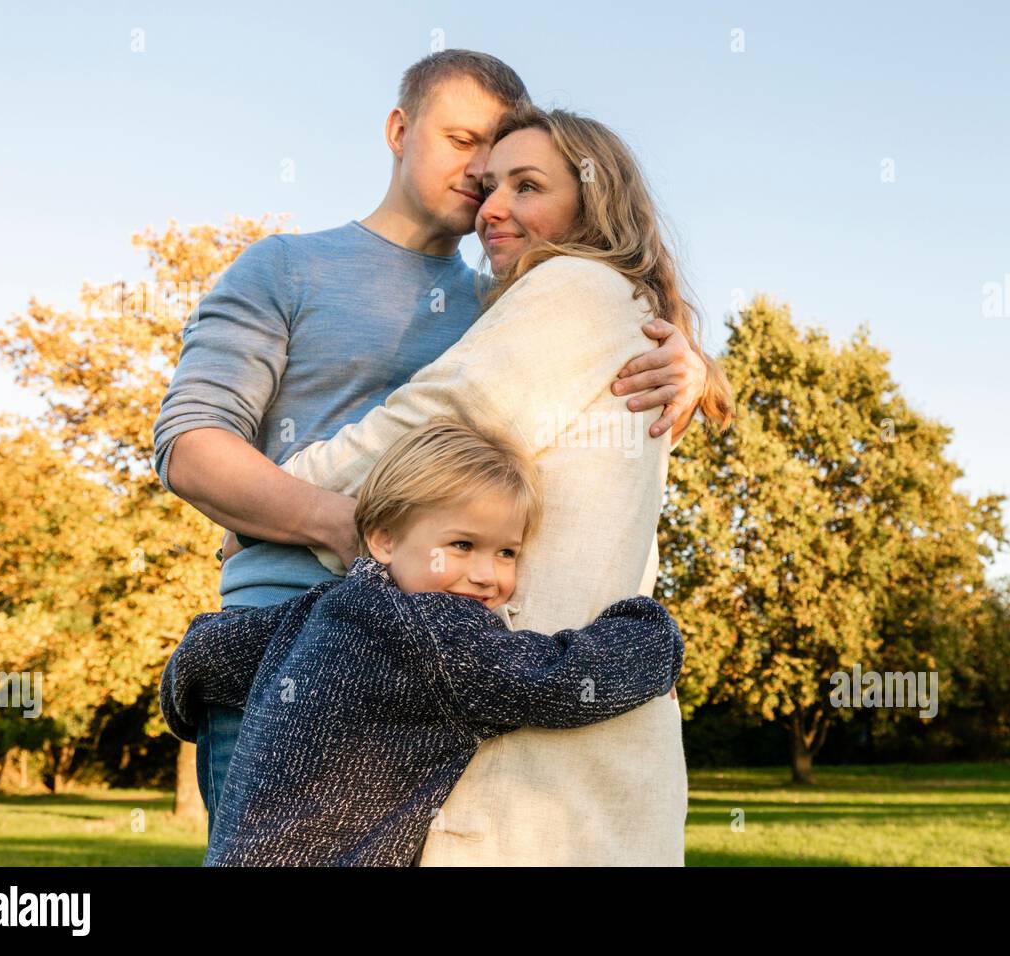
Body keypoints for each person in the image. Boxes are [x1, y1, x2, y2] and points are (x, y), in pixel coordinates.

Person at [150, 50, 711, 842]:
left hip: (436, 648)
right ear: (398, 129)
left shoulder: (506, 299)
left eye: (505, 162)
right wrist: (339, 524)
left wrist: (690, 364)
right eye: (461, 140)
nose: (480, 173)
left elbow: (581, 339)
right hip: (278, 630)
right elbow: (190, 447)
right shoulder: (287, 266)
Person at [271, 103, 736, 866]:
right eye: (488, 188)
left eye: (527, 186)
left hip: (531, 739)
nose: (493, 209)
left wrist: (278, 495)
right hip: (583, 729)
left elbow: (438, 418)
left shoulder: (576, 287)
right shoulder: (623, 306)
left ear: (595, 200)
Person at [160, 418, 684, 866]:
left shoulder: (326, 605)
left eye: (507, 553)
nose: (486, 575)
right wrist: (652, 639)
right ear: (383, 538)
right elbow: (554, 681)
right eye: (462, 545)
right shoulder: (436, 634)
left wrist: (181, 701)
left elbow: (212, 651)